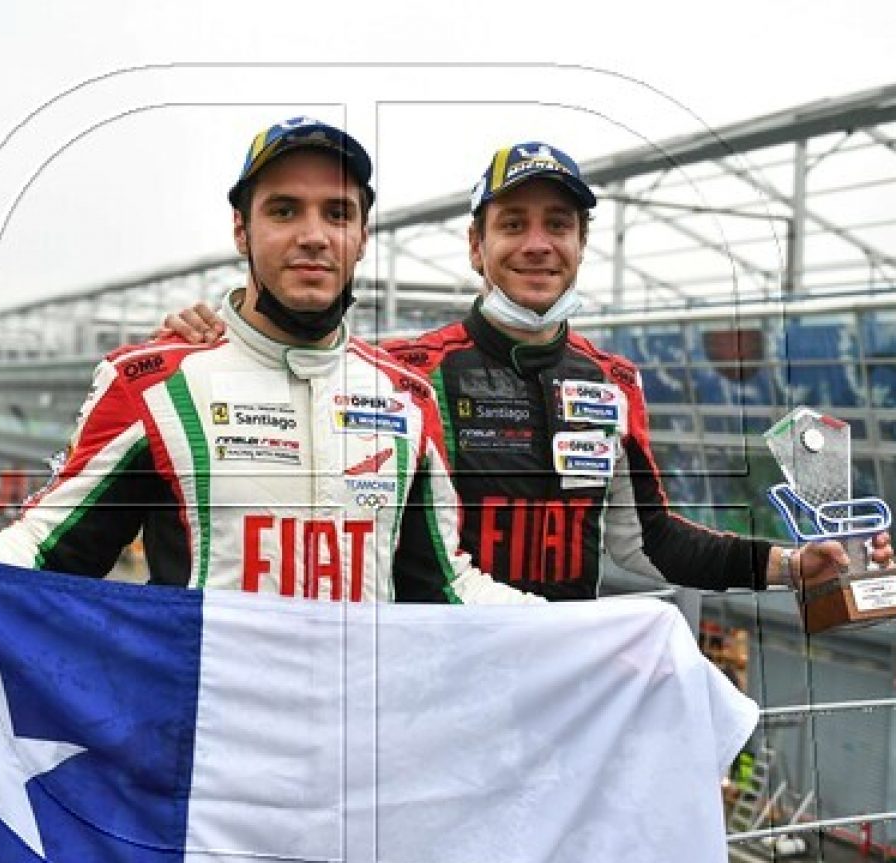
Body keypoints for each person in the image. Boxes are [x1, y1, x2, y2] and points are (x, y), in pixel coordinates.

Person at [157, 140, 891, 598]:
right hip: (425, 676)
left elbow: (653, 544)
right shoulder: (402, 371)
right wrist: (212, 332)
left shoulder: (615, 382)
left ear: (580, 244)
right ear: (476, 247)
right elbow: (291, 370)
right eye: (513, 225)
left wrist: (792, 565)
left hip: (553, 680)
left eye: (559, 225)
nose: (537, 244)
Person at [0, 118, 538, 606]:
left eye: (336, 212)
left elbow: (445, 587)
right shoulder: (152, 380)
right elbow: (47, 547)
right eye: (284, 210)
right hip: (201, 763)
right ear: (242, 230)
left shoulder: (405, 398)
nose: (312, 234)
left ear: (361, 237)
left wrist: (618, 633)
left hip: (358, 760)